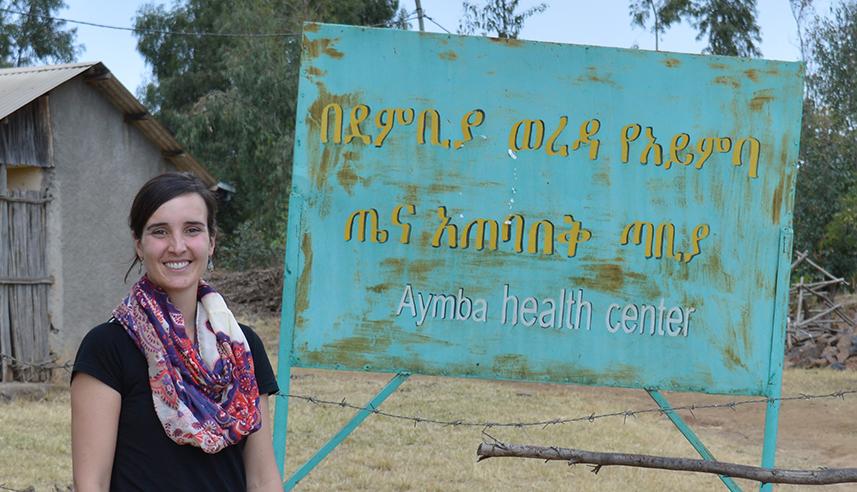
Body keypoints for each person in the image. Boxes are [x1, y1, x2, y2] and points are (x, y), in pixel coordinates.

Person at [70, 172, 282, 491]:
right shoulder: (108, 348)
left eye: (192, 230)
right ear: (139, 244)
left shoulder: (242, 346)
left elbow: (263, 479)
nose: (177, 246)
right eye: (160, 231)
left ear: (211, 242)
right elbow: (92, 484)